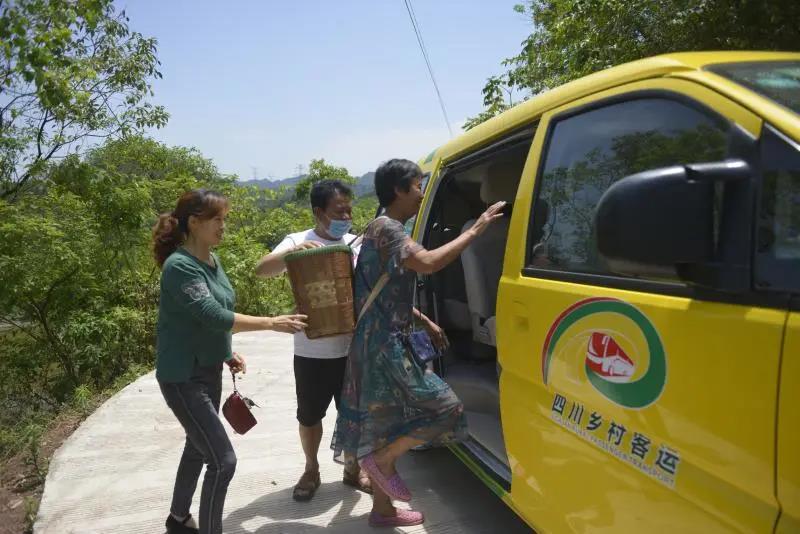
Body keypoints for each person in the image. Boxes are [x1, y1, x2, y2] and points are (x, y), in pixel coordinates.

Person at [330, 159, 506, 527]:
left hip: (378, 339)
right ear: (399, 190)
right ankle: (379, 463)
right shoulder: (389, 228)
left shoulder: (378, 227)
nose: (422, 194)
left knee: (385, 425)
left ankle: (382, 512)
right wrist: (476, 231)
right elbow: (427, 263)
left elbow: (383, 291)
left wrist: (423, 320)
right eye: (417, 186)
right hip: (383, 346)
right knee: (447, 409)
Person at [153, 189, 308, 534]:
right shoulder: (179, 266)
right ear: (194, 223)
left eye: (225, 219)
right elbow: (212, 314)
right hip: (182, 376)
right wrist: (272, 322)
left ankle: (178, 519)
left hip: (207, 369)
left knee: (197, 447)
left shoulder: (212, 261)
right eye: (217, 220)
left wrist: (226, 352)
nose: (223, 226)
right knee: (222, 461)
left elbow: (208, 317)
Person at [254, 179, 372, 501]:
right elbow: (262, 269)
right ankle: (311, 468)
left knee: (354, 413)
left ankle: (353, 468)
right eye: (339, 210)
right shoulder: (298, 239)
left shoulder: (356, 243)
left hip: (353, 346)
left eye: (349, 209)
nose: (347, 216)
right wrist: (293, 253)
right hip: (312, 350)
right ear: (319, 212)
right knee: (309, 415)